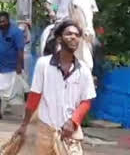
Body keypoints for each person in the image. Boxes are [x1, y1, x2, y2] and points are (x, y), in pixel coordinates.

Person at [12, 20, 96, 155]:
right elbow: (34, 96)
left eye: (76, 35)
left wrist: (73, 121)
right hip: (46, 130)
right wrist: (24, 124)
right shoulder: (43, 65)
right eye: (68, 34)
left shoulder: (84, 70)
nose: (73, 37)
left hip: (70, 133)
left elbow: (86, 101)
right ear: (59, 39)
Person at [43, 0, 98, 69]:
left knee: (96, 46)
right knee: (51, 40)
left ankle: (93, 75)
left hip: (82, 25)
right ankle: (49, 65)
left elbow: (92, 9)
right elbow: (52, 3)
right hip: (63, 22)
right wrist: (52, 11)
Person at [0, 12, 28, 120]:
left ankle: (29, 114)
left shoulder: (16, 32)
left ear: (8, 20)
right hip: (3, 67)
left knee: (25, 89)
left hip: (14, 68)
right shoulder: (0, 32)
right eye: (0, 22)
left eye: (4, 21)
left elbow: (20, 50)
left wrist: (19, 65)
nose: (2, 23)